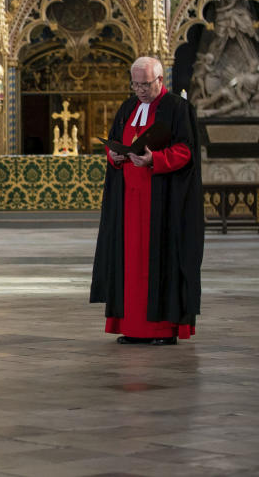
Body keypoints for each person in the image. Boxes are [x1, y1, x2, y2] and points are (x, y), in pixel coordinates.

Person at [91, 56, 203, 345]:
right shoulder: (128, 107)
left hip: (162, 203)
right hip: (128, 203)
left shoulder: (178, 108)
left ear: (160, 81)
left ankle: (162, 330)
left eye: (145, 84)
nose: (139, 90)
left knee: (159, 262)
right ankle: (132, 327)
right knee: (129, 264)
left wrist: (157, 159)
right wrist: (113, 156)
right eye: (135, 84)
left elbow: (187, 151)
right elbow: (117, 140)